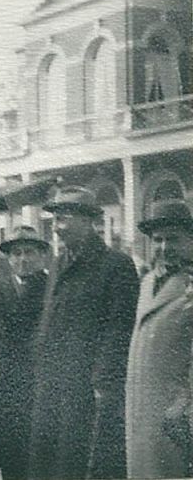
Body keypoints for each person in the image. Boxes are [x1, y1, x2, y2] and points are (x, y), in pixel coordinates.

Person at [28, 186, 139, 479]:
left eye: (63, 219)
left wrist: (104, 382)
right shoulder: (57, 262)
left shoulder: (116, 265)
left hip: (88, 386)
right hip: (52, 383)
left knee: (82, 462)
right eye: (54, 219)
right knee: (47, 462)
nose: (56, 226)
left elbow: (119, 329)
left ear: (89, 221)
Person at [126, 200, 193, 478]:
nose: (164, 247)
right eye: (158, 240)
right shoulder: (148, 282)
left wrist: (183, 406)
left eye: (173, 239)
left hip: (175, 415)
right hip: (141, 409)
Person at [0, 225, 50, 480]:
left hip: (42, 384)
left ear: (42, 256)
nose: (23, 259)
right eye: (16, 253)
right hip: (8, 387)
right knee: (12, 459)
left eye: (29, 252)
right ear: (8, 258)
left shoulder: (53, 288)